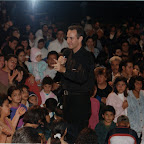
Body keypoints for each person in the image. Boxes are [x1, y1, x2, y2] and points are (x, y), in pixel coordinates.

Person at [53, 25, 95, 140]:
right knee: (67, 136)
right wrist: (60, 66)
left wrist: (64, 70)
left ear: (80, 38)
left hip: (80, 102)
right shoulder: (66, 52)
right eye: (67, 38)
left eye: (71, 38)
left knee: (78, 137)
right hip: (67, 100)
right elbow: (59, 77)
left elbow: (82, 77)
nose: (68, 41)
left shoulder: (87, 56)